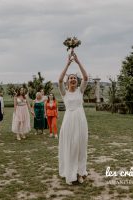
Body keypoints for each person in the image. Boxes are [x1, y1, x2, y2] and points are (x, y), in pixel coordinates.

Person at [58, 51, 89, 185]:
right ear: (67, 82)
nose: (73, 79)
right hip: (69, 122)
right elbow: (59, 80)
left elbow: (86, 77)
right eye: (70, 78)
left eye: (74, 78)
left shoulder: (80, 91)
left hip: (81, 121)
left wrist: (77, 61)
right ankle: (69, 172)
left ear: (77, 82)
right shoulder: (64, 93)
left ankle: (80, 172)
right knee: (70, 147)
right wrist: (67, 63)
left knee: (80, 147)